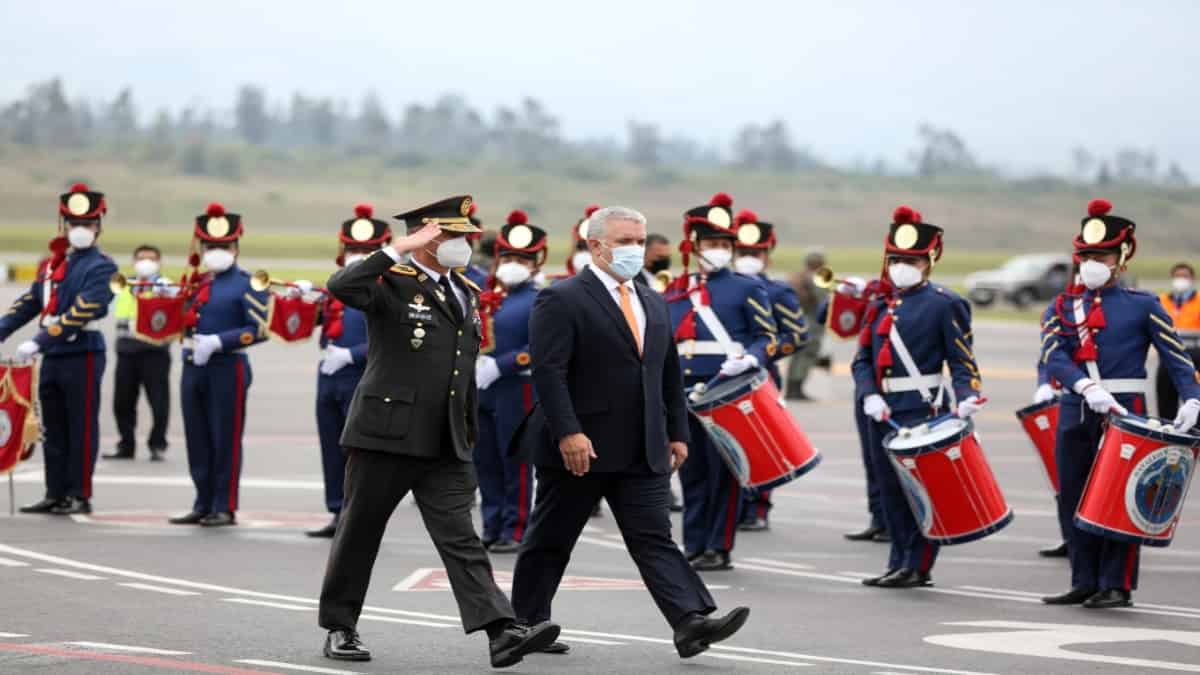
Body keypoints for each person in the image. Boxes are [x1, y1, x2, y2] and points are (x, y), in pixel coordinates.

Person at [316, 195, 558, 668]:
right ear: (427, 238)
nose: (463, 244)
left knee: (460, 537)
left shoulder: (464, 290)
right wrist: (397, 247)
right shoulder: (391, 281)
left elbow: (458, 371)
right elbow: (341, 285)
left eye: (466, 236)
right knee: (360, 531)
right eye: (451, 236)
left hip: (445, 438)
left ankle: (499, 631)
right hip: (386, 434)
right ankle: (340, 626)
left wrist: (467, 433)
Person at [510, 205, 750, 660]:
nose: (636, 249)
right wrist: (568, 432)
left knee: (654, 535)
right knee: (552, 536)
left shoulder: (651, 298)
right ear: (595, 245)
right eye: (625, 241)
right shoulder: (562, 298)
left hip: (643, 444)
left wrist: (677, 431)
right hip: (581, 446)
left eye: (639, 240)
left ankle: (690, 621)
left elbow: (665, 373)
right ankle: (525, 623)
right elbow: (548, 372)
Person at [1040, 199, 1200, 609]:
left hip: (1125, 408)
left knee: (1120, 494)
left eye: (1101, 255)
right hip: (1078, 406)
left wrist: (1192, 397)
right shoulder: (1061, 307)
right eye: (1087, 255)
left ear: (1121, 257)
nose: (1092, 262)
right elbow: (1053, 355)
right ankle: (1084, 578)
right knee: (1071, 492)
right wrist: (1084, 387)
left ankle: (1116, 583)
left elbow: (1175, 356)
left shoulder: (1143, 304)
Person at [853, 205, 984, 589]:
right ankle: (899, 560)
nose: (900, 266)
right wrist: (868, 395)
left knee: (919, 491)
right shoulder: (880, 304)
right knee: (890, 489)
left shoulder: (945, 303)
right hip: (882, 411)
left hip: (922, 408)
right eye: (895, 259)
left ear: (929, 261)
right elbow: (861, 360)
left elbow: (962, 360)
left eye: (909, 260)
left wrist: (967, 396)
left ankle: (919, 564)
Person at [665, 192, 777, 571]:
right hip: (684, 392)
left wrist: (750, 358)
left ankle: (718, 545)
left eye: (725, 244)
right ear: (694, 245)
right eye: (712, 243)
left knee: (724, 474)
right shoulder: (675, 291)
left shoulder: (747, 287)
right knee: (692, 472)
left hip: (726, 392)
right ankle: (694, 543)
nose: (719, 250)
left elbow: (768, 337)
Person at [2, 183, 117, 515]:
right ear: (64, 226)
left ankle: (79, 493)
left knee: (80, 426)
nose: (80, 231)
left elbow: (84, 309)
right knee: (52, 426)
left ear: (98, 227)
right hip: (53, 356)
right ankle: (55, 492)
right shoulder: (53, 265)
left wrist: (39, 340)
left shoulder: (102, 267)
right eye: (75, 224)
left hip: (82, 353)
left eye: (88, 225)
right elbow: (29, 302)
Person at [169, 203, 270, 528]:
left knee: (224, 437)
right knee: (196, 436)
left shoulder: (246, 283)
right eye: (210, 246)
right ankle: (202, 501)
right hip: (192, 366)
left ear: (236, 247)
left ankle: (223, 505)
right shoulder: (195, 283)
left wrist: (218, 342)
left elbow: (259, 329)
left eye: (223, 246)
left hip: (228, 367)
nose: (216, 252)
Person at [306, 204, 391, 538]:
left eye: (367, 251)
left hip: (365, 375)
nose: (359, 255)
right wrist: (299, 301)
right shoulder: (337, 287)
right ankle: (337, 511)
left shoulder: (389, 287)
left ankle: (359, 517)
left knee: (361, 453)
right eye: (354, 249)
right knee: (331, 447)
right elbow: (301, 327)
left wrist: (353, 355)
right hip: (329, 375)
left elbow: (398, 337)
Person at [731, 209, 808, 531]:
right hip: (723, 376)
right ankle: (729, 508)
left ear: (767, 256)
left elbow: (797, 336)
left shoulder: (778, 292)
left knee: (761, 446)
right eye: (743, 252)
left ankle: (758, 508)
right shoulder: (720, 289)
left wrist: (763, 354)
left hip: (760, 377)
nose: (749, 258)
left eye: (756, 253)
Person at [473, 209, 544, 553]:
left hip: (518, 386)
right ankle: (491, 524)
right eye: (509, 257)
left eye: (522, 258)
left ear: (534, 265)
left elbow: (543, 347)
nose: (514, 263)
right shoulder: (487, 297)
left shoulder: (541, 299)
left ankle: (515, 528)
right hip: (482, 387)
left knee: (513, 460)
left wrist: (503, 365)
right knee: (484, 458)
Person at [834, 278, 890, 543]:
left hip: (900, 395)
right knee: (873, 460)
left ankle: (895, 524)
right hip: (868, 392)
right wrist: (847, 296)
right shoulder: (875, 299)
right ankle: (879, 518)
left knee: (895, 466)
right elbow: (839, 325)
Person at [108, 244, 172, 462]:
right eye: (141, 258)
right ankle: (126, 444)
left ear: (159, 262)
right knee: (122, 402)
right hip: (126, 350)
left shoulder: (166, 286)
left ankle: (157, 444)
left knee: (158, 401)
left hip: (154, 351)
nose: (146, 262)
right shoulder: (124, 284)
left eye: (151, 258)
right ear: (134, 261)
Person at [1031, 305, 1069, 558]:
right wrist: (1043, 384)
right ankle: (1070, 536)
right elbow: (1046, 358)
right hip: (1059, 402)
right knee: (1064, 476)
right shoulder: (1059, 310)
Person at [1156, 262, 1200, 419]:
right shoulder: (1160, 301)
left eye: (1185, 276)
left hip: (1195, 361)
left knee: (1196, 407)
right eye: (1177, 276)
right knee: (1166, 408)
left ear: (1192, 279)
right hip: (1167, 360)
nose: (1181, 279)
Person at [785, 248, 830, 400]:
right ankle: (796, 389)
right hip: (812, 322)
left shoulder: (798, 276)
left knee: (798, 355)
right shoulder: (816, 278)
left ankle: (792, 388)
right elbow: (823, 302)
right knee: (807, 354)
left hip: (797, 320)